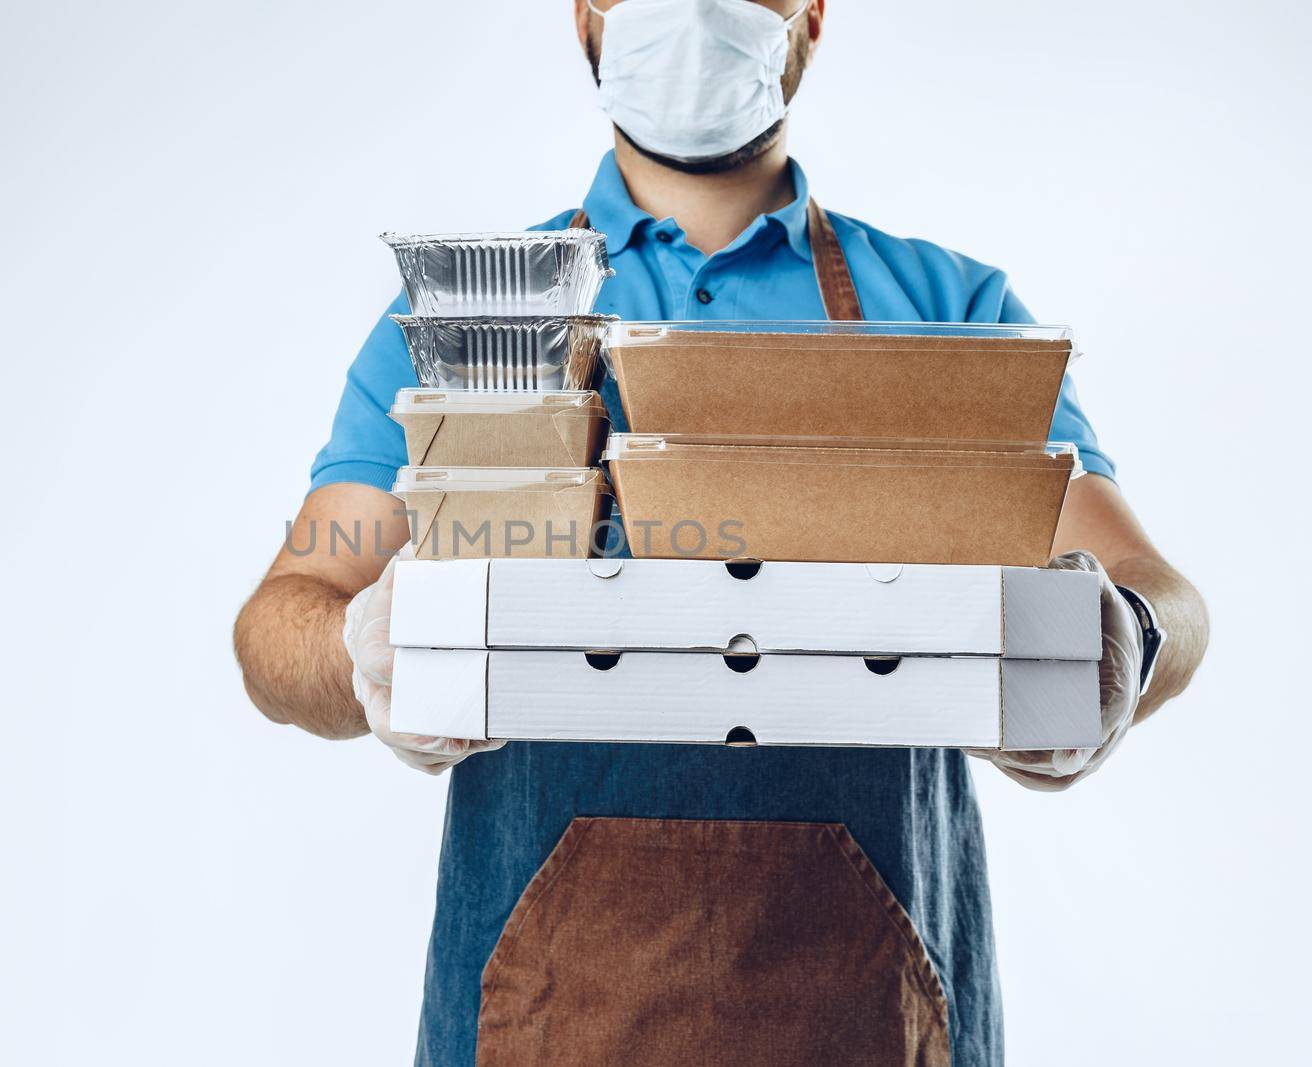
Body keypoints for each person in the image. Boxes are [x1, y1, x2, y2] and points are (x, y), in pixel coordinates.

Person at [234, 1, 1210, 1063]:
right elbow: (282, 621)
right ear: (584, 20)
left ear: (812, 18)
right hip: (547, 1015)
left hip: (874, 1015)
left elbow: (1154, 587)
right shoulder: (475, 319)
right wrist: (364, 652)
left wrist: (1127, 643)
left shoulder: (951, 311)